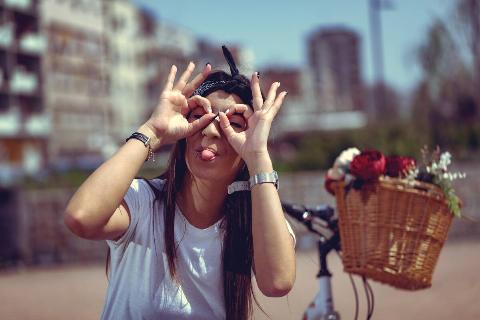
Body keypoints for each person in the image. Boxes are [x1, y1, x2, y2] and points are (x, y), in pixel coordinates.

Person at [64, 46, 296, 320]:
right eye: (198, 117)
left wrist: (258, 156)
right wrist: (153, 130)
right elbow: (81, 218)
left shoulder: (256, 220)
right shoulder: (144, 202)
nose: (210, 130)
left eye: (232, 123)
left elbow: (278, 282)